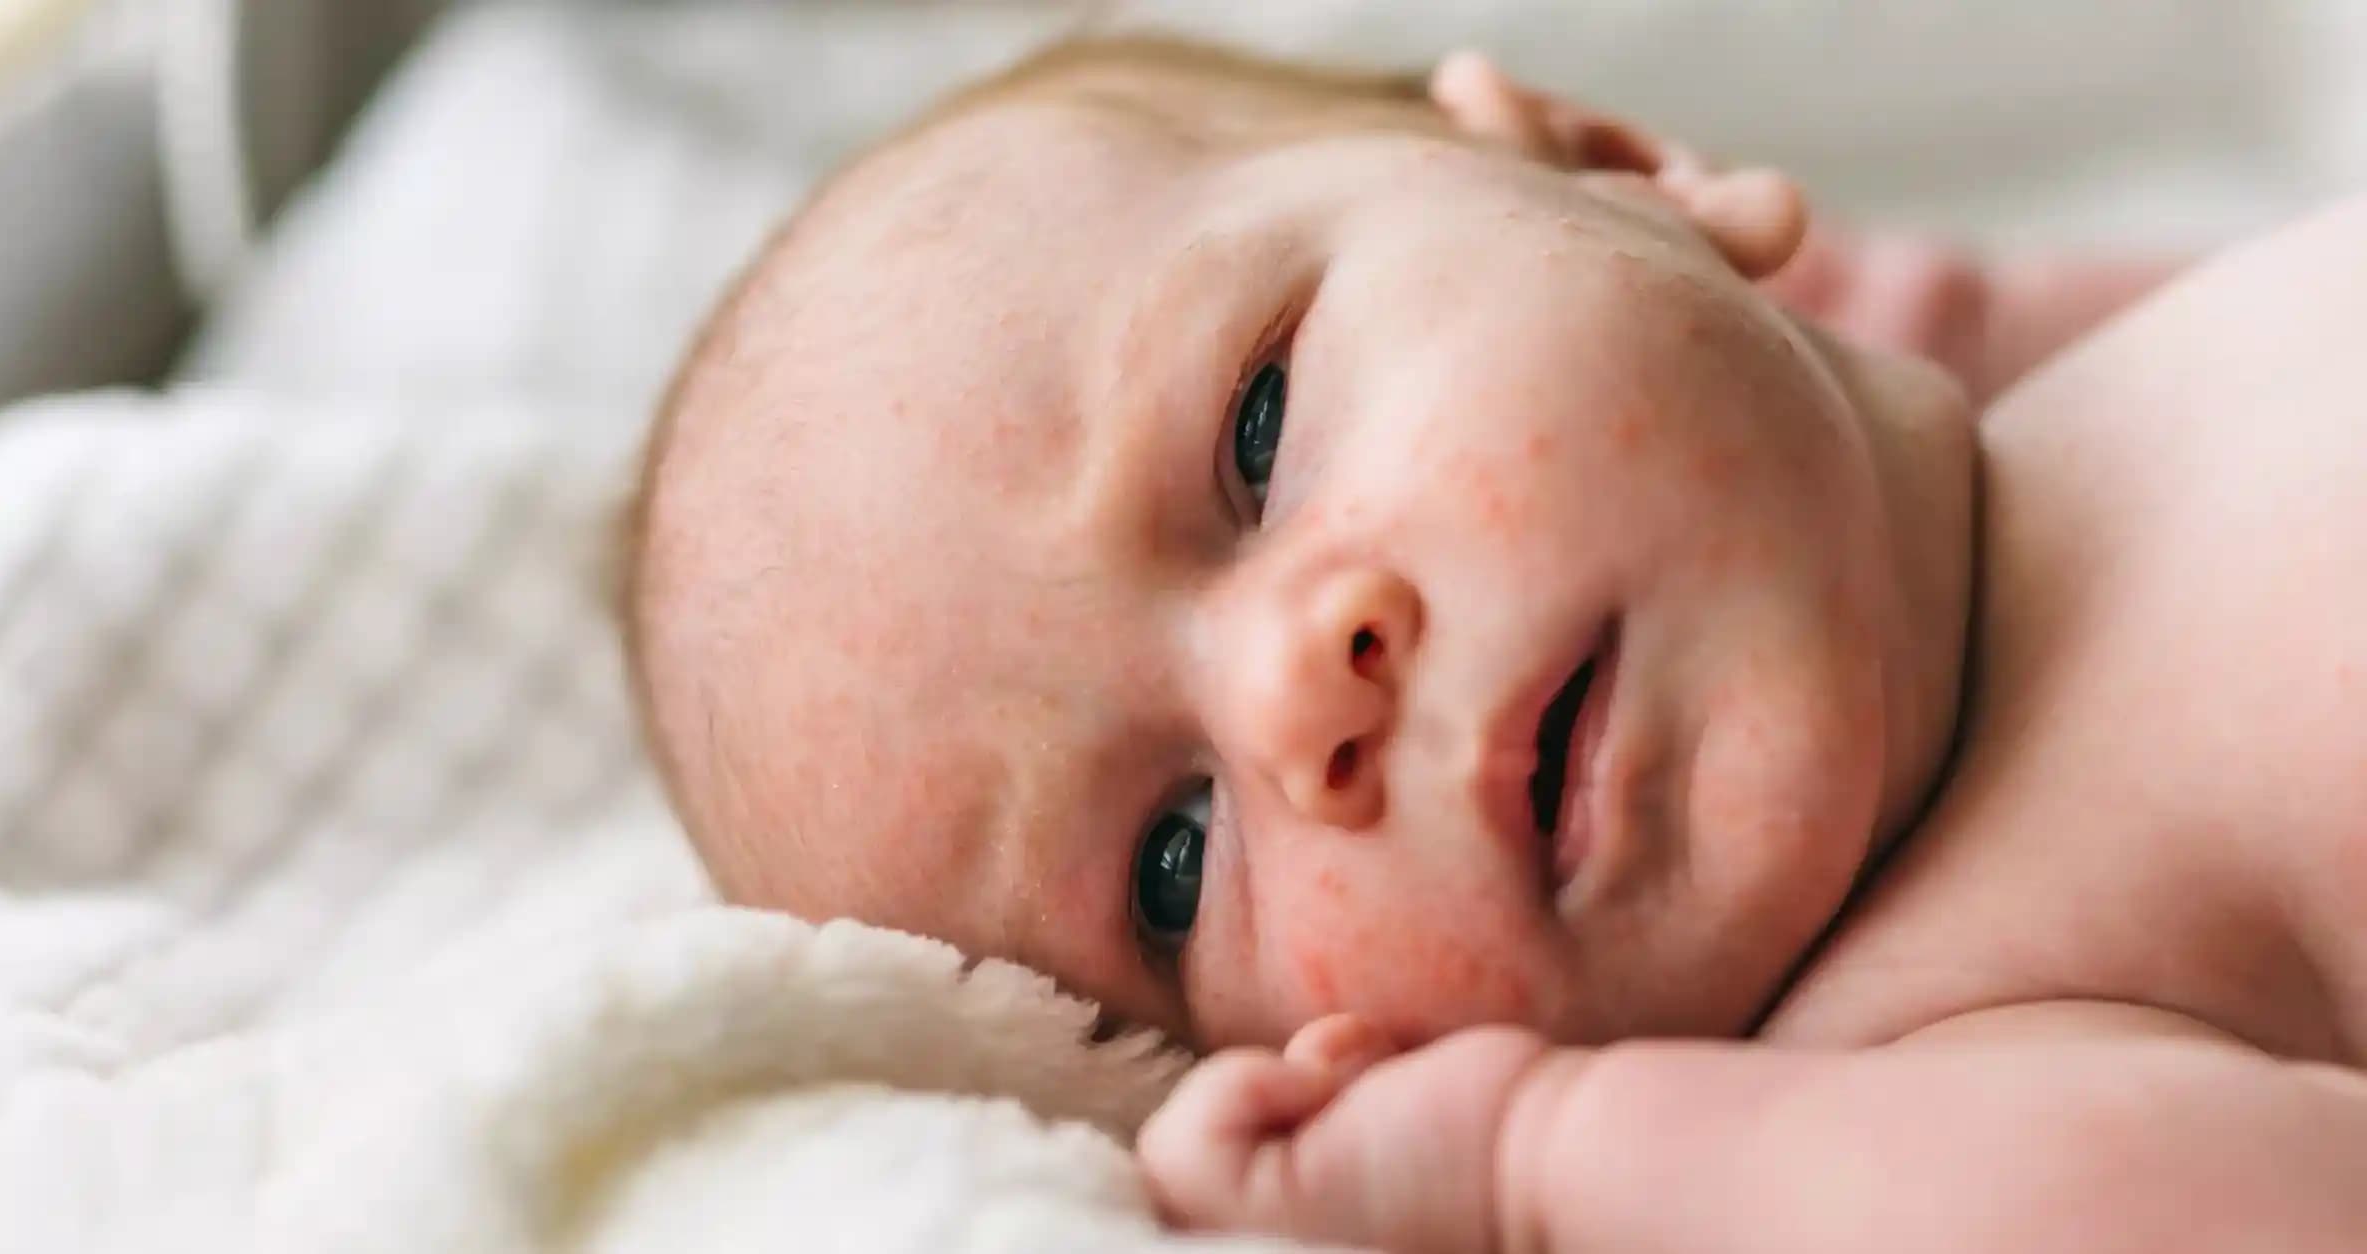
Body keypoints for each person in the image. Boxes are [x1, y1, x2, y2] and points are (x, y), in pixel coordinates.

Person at [625, 35, 2367, 1251]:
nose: (1296, 695)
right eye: (1174, 857)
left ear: (1610, 164)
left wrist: (1823, 313)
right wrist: (1537, 1166)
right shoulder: (1938, 1035)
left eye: (1254, 432)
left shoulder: (2058, 404)